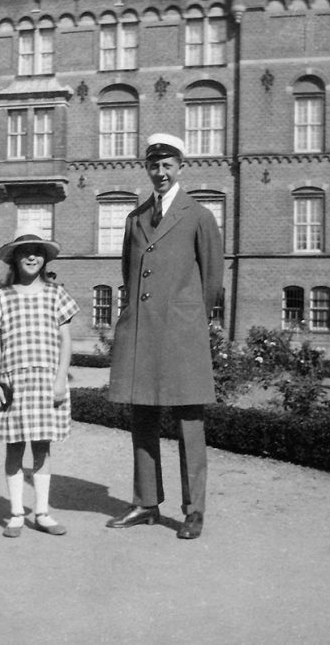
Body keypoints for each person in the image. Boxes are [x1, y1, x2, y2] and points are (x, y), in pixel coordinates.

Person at [107, 133, 224, 540]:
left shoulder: (198, 216)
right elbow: (128, 274)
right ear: (147, 168)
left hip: (181, 335)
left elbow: (211, 280)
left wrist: (189, 320)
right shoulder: (135, 218)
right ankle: (145, 502)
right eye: (154, 165)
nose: (160, 172)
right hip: (142, 332)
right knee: (142, 419)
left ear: (180, 167)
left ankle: (193, 511)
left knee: (189, 423)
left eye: (167, 165)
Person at [0, 227, 79, 538]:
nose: (31, 256)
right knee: (14, 448)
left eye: (37, 252)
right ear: (14, 259)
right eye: (24, 252)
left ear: (45, 259)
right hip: (12, 382)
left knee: (41, 447)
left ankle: (42, 512)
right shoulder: (3, 297)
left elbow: (66, 341)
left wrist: (61, 377)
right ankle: (14, 514)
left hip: (45, 381)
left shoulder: (56, 294)